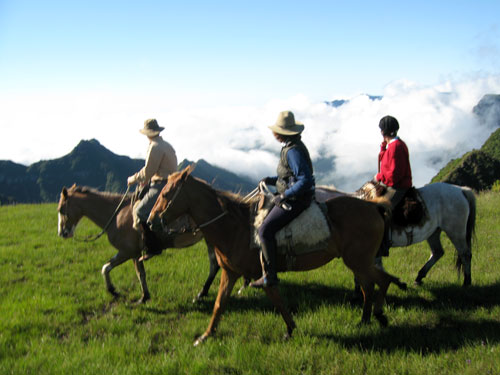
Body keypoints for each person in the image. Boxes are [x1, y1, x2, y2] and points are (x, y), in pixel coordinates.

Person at [250, 111, 315, 289]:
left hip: (297, 199)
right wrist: (271, 180)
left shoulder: (293, 151)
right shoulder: (291, 146)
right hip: (293, 194)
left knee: (264, 230)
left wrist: (284, 195)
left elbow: (305, 179)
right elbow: (288, 176)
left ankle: (270, 276)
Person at [127, 118, 178, 261]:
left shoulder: (155, 147)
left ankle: (153, 246)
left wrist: (133, 179)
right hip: (166, 181)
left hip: (160, 184)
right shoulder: (166, 145)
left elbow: (147, 172)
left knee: (140, 211)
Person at [374, 115, 412, 208]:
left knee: (380, 209)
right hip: (393, 184)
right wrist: (383, 147)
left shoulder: (396, 147)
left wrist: (379, 176)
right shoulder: (394, 145)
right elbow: (386, 159)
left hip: (398, 188)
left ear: (383, 132)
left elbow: (394, 176)